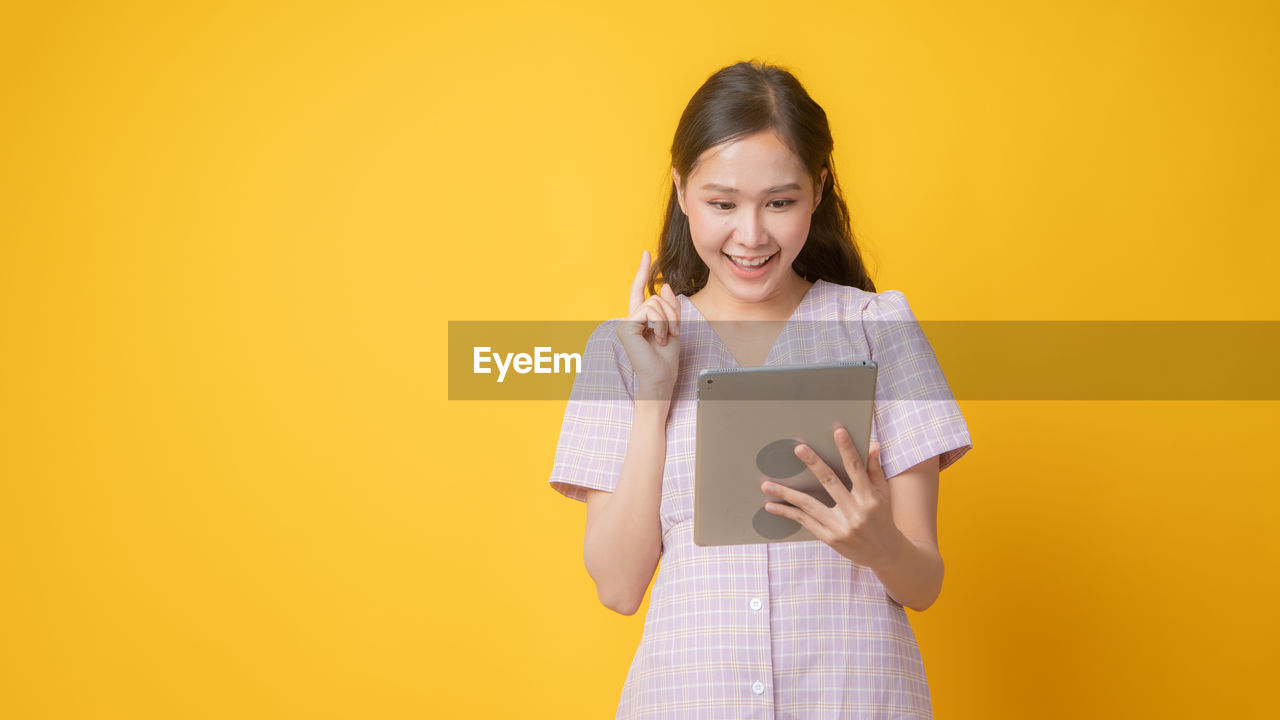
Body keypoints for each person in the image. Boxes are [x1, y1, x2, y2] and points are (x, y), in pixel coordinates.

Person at [548, 60, 972, 719]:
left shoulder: (877, 329)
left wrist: (875, 541)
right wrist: (654, 398)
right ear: (682, 190)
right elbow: (618, 586)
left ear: (818, 190)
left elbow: (924, 583)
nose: (751, 236)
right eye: (722, 204)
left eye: (780, 202)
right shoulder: (625, 346)